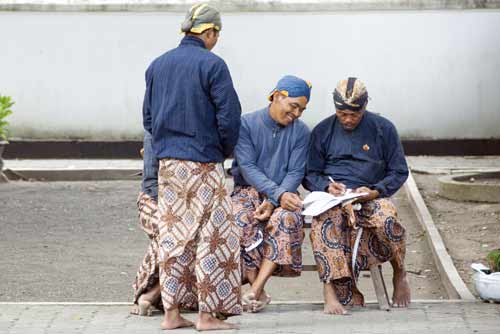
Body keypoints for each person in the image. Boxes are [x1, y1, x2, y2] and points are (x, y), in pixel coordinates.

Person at [142, 3, 242, 330]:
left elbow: (148, 119)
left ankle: (171, 315)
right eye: (217, 34)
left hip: (168, 164)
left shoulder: (157, 65)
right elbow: (229, 118)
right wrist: (222, 152)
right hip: (204, 162)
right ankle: (207, 315)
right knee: (212, 237)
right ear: (209, 32)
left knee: (173, 238)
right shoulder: (213, 65)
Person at [303, 77, 411, 315]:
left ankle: (399, 271)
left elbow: (399, 171)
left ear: (364, 107)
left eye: (354, 114)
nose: (348, 119)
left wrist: (375, 190)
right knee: (323, 227)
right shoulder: (323, 130)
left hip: (371, 195)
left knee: (388, 220)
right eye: (342, 114)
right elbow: (310, 173)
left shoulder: (383, 129)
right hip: (335, 198)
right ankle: (330, 292)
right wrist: (325, 187)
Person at [231, 75, 311, 312]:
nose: (296, 113)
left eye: (302, 109)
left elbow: (296, 170)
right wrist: (274, 195)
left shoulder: (301, 132)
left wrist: (276, 199)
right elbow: (247, 167)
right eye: (293, 106)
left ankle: (255, 290)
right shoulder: (246, 124)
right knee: (240, 217)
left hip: (286, 193)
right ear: (277, 96)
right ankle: (259, 291)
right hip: (248, 191)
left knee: (287, 219)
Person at [130, 131, 163, 317]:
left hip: (182, 201)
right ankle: (144, 293)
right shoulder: (154, 132)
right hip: (153, 198)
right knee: (171, 233)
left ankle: (150, 294)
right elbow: (151, 181)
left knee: (185, 235)